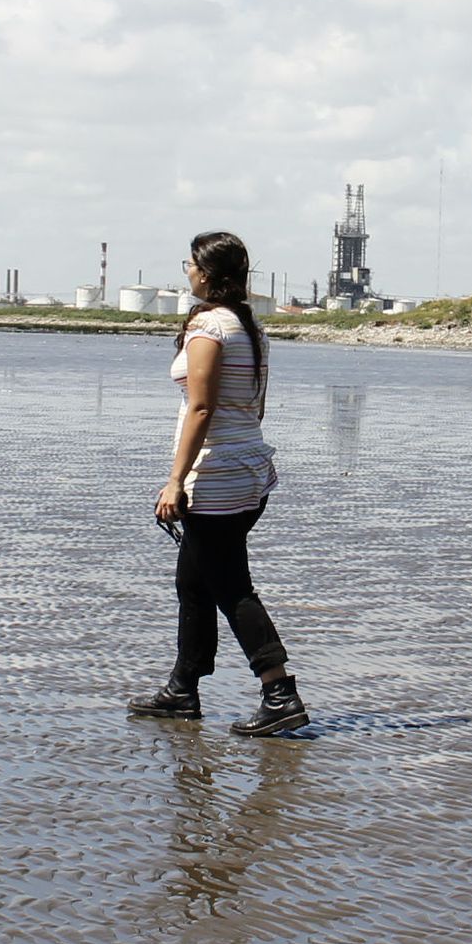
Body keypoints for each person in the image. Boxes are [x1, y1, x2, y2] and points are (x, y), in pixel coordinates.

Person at [128, 231, 309, 736]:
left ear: (205, 273)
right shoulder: (249, 327)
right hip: (249, 469)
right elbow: (255, 405)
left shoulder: (210, 326)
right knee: (194, 581)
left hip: (217, 477)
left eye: (189, 263)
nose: (185, 269)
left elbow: (202, 407)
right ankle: (183, 688)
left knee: (230, 587)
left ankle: (280, 693)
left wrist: (175, 480)